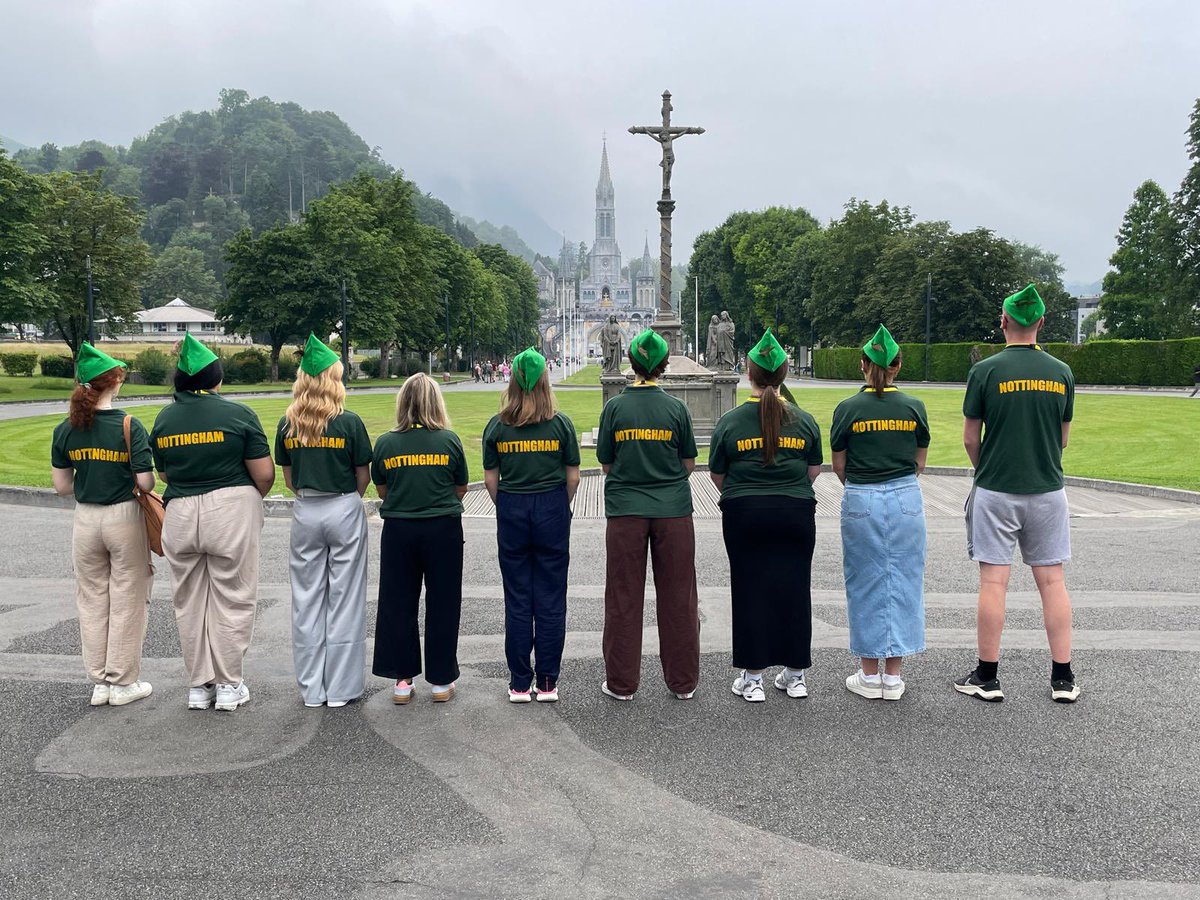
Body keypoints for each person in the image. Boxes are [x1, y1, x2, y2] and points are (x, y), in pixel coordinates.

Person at [956, 284, 1080, 704]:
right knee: (1053, 581)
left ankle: (987, 676)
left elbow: (970, 437)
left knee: (994, 581)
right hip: (1047, 488)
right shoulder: (1061, 372)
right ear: (1041, 323)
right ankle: (1062, 678)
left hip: (996, 487)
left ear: (1004, 321)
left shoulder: (985, 371)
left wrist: (986, 467)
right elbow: (1062, 439)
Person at [151, 334, 274, 712]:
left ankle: (198, 684)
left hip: (181, 511)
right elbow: (264, 474)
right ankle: (228, 683)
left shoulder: (164, 418)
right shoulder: (238, 414)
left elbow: (164, 474)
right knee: (233, 596)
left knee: (188, 600)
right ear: (216, 378)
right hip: (230, 506)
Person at [709, 329, 823, 703]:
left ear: (748, 372)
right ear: (784, 374)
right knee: (795, 590)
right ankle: (796, 674)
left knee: (750, 590)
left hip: (745, 512)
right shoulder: (804, 420)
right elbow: (813, 470)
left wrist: (745, 493)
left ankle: (753, 677)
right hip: (796, 511)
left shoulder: (731, 421)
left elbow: (718, 475)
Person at [596, 329, 700, 701]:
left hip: (626, 510)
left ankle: (622, 683)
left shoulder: (615, 408)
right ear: (664, 365)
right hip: (673, 510)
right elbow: (688, 462)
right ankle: (683, 682)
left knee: (623, 597)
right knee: (679, 597)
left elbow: (606, 463)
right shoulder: (676, 408)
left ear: (631, 362)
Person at [51, 342, 155, 708]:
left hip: (85, 518)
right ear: (115, 382)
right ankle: (122, 680)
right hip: (122, 514)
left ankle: (99, 680)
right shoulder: (129, 425)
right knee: (128, 597)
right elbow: (145, 483)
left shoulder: (66, 428)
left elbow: (62, 486)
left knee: (92, 599)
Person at [830, 325, 930, 701]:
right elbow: (919, 462)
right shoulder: (913, 407)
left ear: (862, 365)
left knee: (864, 582)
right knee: (905, 580)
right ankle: (894, 675)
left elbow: (839, 465)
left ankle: (869, 674)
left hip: (862, 494)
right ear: (898, 366)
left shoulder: (848, 409)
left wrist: (863, 487)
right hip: (905, 495)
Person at [275, 334, 372, 709]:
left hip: (306, 507)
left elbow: (288, 479)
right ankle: (341, 688)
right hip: (343, 504)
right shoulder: (349, 423)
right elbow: (362, 475)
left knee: (306, 599)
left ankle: (312, 689)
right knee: (345, 599)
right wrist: (349, 500)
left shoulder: (287, 425)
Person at [483, 347, 581, 703]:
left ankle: (520, 682)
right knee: (551, 596)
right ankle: (548, 681)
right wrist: (559, 505)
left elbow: (490, 479)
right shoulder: (560, 424)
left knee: (518, 597)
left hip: (513, 503)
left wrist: (508, 505)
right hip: (551, 504)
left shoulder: (498, 425)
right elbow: (573, 477)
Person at [371, 372, 469, 704]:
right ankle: (441, 680)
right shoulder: (449, 440)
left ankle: (402, 679)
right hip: (443, 527)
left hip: (400, 528)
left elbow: (382, 488)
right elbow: (460, 487)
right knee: (444, 602)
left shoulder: (386, 443)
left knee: (398, 602)